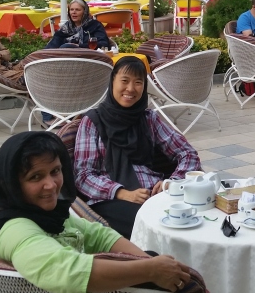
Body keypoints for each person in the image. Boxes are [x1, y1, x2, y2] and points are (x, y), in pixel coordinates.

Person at [0, 131, 210, 293]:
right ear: (11, 183)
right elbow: (68, 272)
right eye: (35, 177)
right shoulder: (14, 229)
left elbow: (98, 234)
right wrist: (149, 270)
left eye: (55, 171)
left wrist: (148, 263)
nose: (51, 185)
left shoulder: (42, 212)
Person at [74, 57, 202, 238]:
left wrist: (172, 182)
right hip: (111, 202)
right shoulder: (93, 121)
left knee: (196, 217)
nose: (131, 88)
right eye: (125, 81)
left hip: (154, 196)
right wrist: (122, 193)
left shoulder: (148, 119)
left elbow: (188, 153)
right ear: (112, 81)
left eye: (138, 82)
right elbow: (83, 175)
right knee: (158, 226)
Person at [45, 0, 110, 49]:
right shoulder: (66, 28)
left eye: (77, 10)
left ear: (85, 12)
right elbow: (51, 47)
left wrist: (79, 46)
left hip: (89, 58)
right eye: (71, 9)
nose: (74, 12)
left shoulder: (94, 25)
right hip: (66, 59)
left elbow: (103, 44)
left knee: (67, 47)